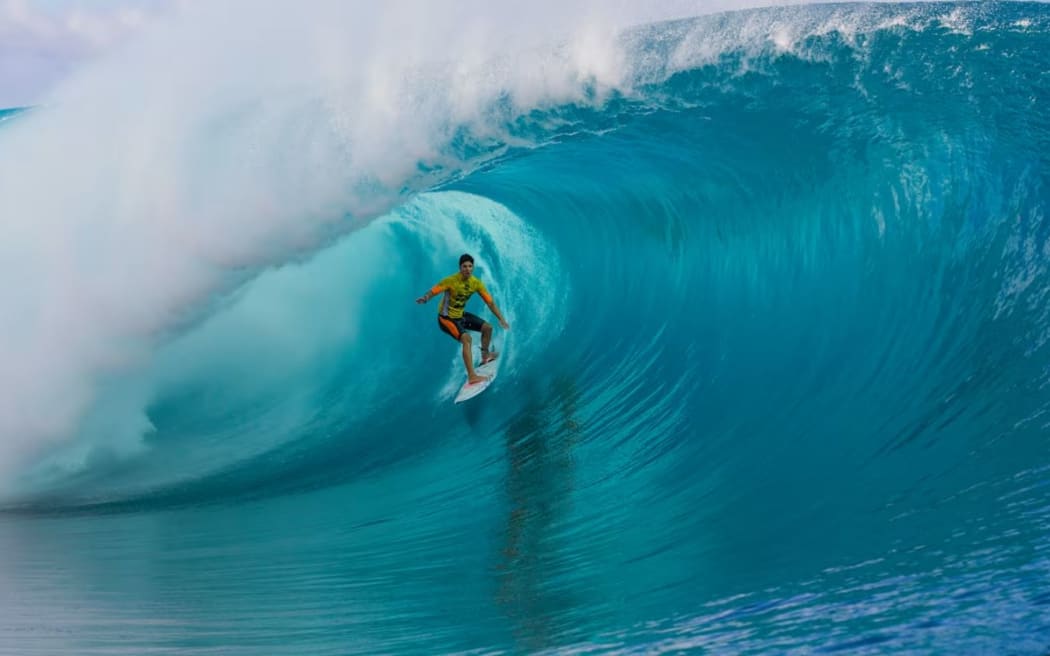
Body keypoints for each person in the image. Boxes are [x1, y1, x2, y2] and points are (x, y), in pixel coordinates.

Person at [417, 253, 510, 384]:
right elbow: (434, 291)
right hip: (446, 319)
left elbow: (490, 303)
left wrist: (501, 319)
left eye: (470, 266)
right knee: (467, 339)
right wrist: (426, 298)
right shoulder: (450, 281)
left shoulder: (476, 283)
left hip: (460, 316)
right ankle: (472, 376)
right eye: (464, 266)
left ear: (473, 267)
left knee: (488, 328)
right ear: (460, 268)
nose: (467, 269)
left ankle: (485, 356)